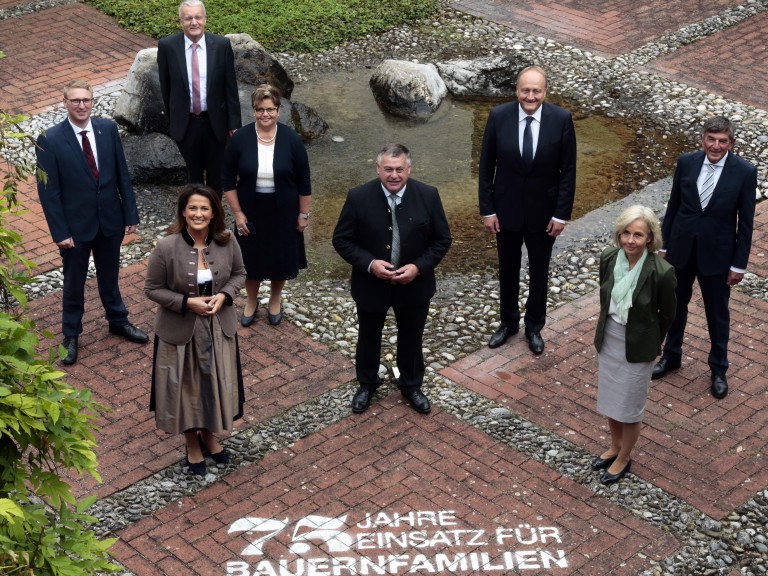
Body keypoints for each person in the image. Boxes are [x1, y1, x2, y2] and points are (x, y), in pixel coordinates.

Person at [332, 144, 452, 415]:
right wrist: (371, 264)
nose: (394, 175)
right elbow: (341, 239)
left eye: (399, 169)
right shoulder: (358, 197)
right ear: (378, 168)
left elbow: (442, 239)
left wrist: (418, 267)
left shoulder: (428, 196)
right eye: (388, 169)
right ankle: (367, 383)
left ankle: (411, 385)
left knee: (412, 337)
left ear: (409, 169)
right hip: (371, 284)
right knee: (368, 337)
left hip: (414, 285)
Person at [36, 79, 148, 366]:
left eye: (86, 100)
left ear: (92, 101)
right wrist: (60, 232)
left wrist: (130, 214)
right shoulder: (49, 140)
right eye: (75, 101)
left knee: (110, 276)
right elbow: (49, 193)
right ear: (65, 103)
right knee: (74, 282)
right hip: (75, 228)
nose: (81, 105)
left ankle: (118, 320)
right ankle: (71, 334)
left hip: (110, 220)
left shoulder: (107, 129)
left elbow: (122, 173)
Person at [651, 116, 757, 399]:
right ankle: (671, 356)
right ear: (703, 139)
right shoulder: (687, 162)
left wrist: (738, 264)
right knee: (674, 308)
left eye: (723, 141)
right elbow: (674, 206)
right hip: (681, 251)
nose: (716, 145)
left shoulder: (745, 172)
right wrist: (664, 246)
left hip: (718, 256)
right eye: (711, 139)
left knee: (717, 315)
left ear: (731, 143)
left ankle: (718, 369)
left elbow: (746, 223)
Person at [145, 184, 246, 476]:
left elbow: (240, 274)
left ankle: (209, 436)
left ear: (214, 212)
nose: (198, 214)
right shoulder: (166, 246)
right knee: (185, 389)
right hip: (180, 330)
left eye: (204, 208)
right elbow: (152, 289)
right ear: (183, 212)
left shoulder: (227, 241)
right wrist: (187, 303)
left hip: (218, 327)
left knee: (213, 384)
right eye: (193, 208)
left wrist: (224, 296)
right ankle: (191, 442)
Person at [479, 65, 577, 355]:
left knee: (539, 271)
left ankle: (534, 326)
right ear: (517, 91)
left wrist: (561, 214)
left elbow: (568, 172)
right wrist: (488, 210)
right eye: (525, 90)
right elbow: (486, 168)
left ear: (545, 92)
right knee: (507, 270)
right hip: (505, 211)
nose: (530, 96)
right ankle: (508, 323)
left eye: (536, 90)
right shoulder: (499, 117)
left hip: (543, 215)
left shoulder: (561, 119)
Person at [593, 205, 677, 485]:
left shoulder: (661, 271)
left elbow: (668, 314)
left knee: (629, 407)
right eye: (626, 233)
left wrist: (653, 339)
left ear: (650, 239)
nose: (631, 240)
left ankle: (625, 456)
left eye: (638, 235)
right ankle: (614, 447)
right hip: (611, 339)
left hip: (638, 346)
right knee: (611, 400)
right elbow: (605, 299)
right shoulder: (608, 258)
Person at [222, 84, 311, 327]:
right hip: (250, 210)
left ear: (279, 110)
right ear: (253, 111)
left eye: (270, 109)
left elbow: (304, 180)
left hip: (284, 210)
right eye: (260, 110)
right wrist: (238, 213)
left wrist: (303, 214)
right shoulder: (240, 138)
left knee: (280, 258)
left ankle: (274, 299)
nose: (265, 115)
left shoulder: (291, 139)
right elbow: (227, 179)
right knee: (250, 259)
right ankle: (251, 301)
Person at [157, 0, 241, 194]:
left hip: (215, 123)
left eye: (198, 17)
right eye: (188, 18)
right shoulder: (168, 46)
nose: (193, 22)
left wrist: (234, 124)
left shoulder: (221, 45)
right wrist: (174, 122)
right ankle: (195, 220)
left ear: (205, 19)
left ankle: (215, 222)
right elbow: (166, 88)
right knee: (193, 178)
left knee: (217, 177)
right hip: (187, 124)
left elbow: (230, 87)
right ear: (180, 21)